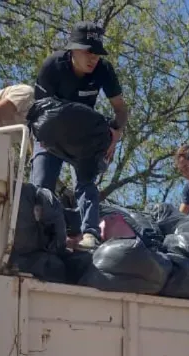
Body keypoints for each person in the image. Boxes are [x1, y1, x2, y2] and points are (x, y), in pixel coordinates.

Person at [31, 21, 129, 250]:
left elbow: (120, 108)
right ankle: (39, 234)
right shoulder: (53, 66)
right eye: (87, 51)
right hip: (51, 134)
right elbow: (38, 112)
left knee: (87, 183)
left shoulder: (104, 70)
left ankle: (90, 234)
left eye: (97, 52)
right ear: (73, 49)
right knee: (41, 184)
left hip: (83, 136)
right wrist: (41, 143)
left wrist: (116, 133)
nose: (93, 57)